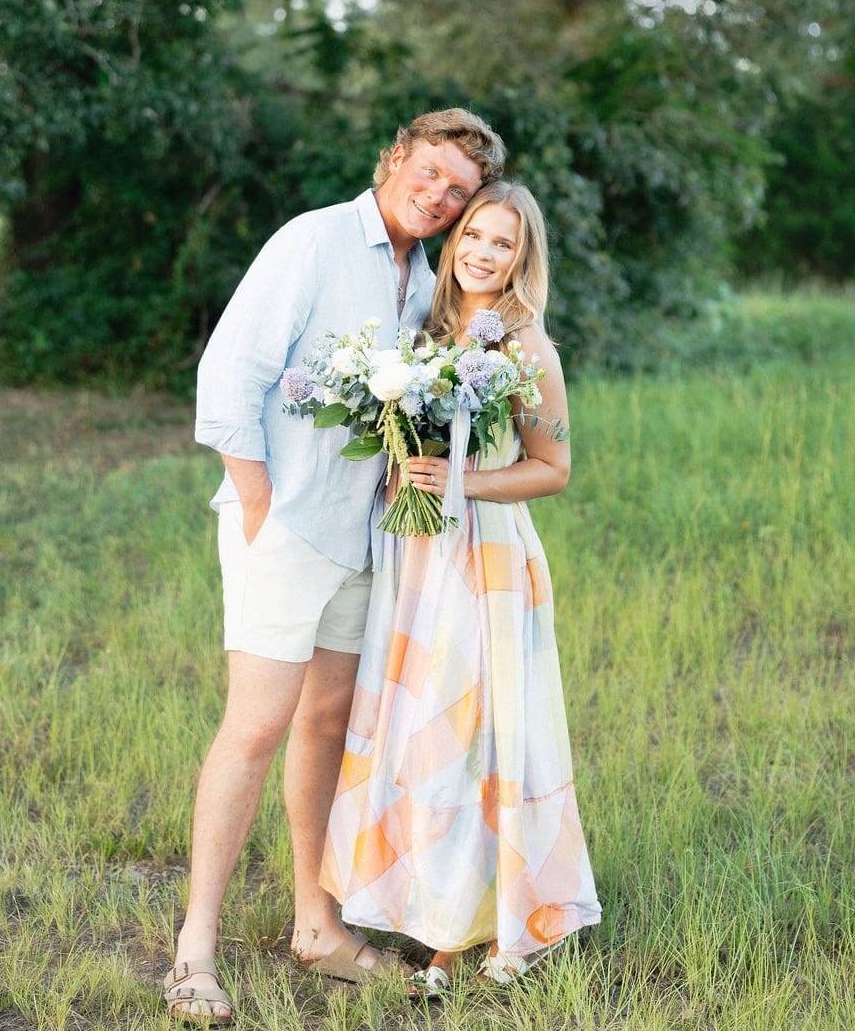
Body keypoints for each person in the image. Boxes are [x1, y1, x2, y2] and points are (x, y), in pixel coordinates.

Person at [163, 110, 506, 1024]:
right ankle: (196, 944)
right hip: (286, 529)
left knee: (325, 729)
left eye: (457, 192)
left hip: (364, 542)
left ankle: (316, 922)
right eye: (429, 173)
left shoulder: (422, 282)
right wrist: (263, 507)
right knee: (256, 726)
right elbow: (227, 376)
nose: (437, 196)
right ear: (396, 157)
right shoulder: (312, 241)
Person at [320, 181, 601, 996]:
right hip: (415, 562)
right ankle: (433, 913)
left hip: (486, 562)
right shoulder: (418, 333)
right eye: (474, 232)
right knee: (420, 737)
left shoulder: (525, 347)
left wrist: (458, 486)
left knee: (479, 738)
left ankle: (485, 929)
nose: (482, 250)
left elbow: (554, 469)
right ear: (456, 239)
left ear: (523, 258)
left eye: (503, 242)